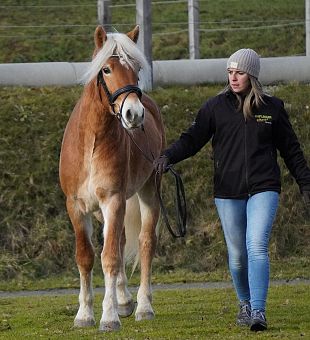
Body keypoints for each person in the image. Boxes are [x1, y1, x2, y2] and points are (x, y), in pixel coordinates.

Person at [154, 48, 310, 332]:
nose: (234, 78)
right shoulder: (214, 108)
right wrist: (168, 156)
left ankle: (259, 312)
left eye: (239, 73)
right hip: (227, 191)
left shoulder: (273, 108)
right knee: (237, 255)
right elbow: (192, 139)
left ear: (252, 75)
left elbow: (292, 151)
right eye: (230, 72)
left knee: (257, 247)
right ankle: (245, 303)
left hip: (264, 188)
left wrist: (305, 183)